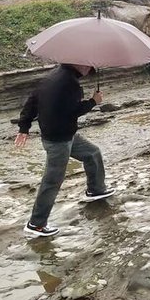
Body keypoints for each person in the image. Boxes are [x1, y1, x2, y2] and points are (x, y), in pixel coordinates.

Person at [16, 64, 114, 237]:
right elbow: (73, 112)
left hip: (65, 134)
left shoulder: (53, 75)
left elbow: (32, 100)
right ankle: (36, 224)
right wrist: (93, 102)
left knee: (92, 153)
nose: (89, 69)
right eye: (88, 66)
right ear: (78, 63)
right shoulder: (69, 83)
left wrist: (24, 127)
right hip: (58, 140)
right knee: (52, 181)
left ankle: (96, 190)